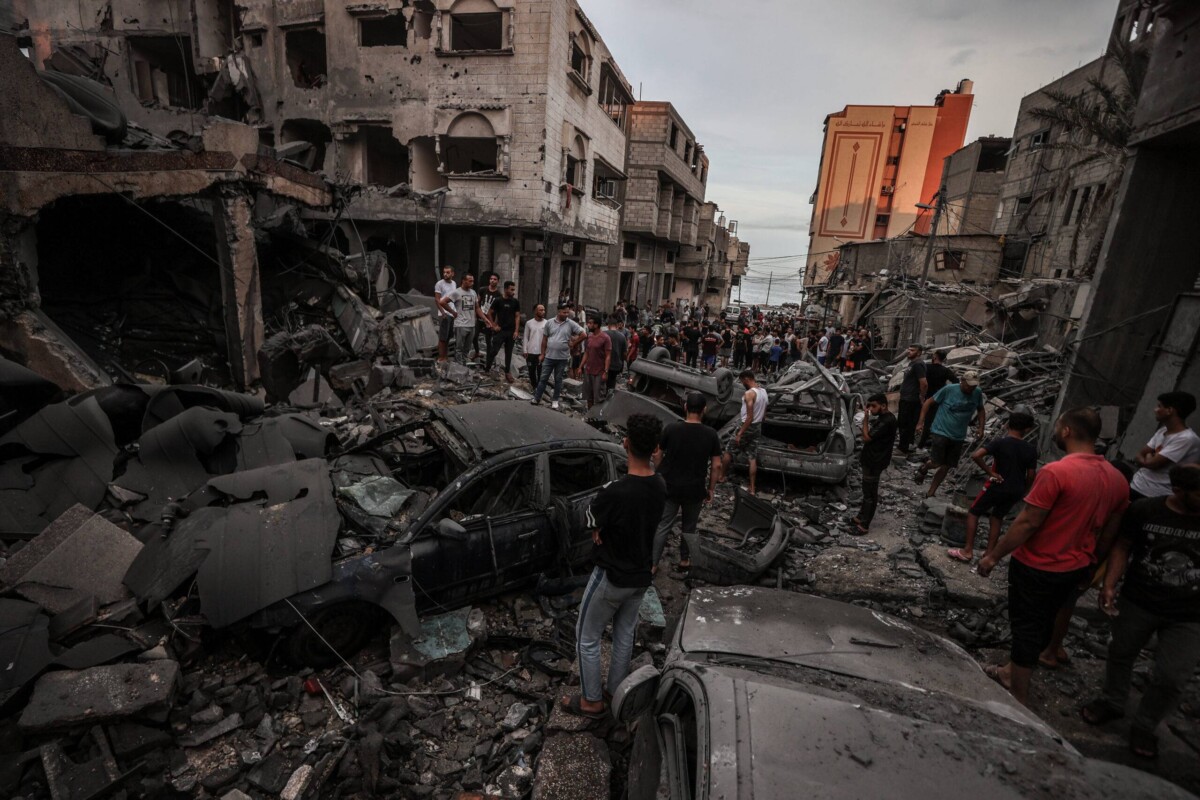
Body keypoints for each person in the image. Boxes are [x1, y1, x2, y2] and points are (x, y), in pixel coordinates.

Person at [976, 407, 1130, 707]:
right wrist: (1091, 565)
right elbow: (1110, 534)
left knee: (1026, 626)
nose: (1057, 431)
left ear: (1067, 431)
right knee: (1045, 621)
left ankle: (1017, 692)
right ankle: (1011, 670)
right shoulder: (1117, 479)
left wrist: (993, 556)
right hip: (1076, 567)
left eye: (1059, 426)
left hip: (1038, 564)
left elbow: (1028, 522)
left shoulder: (1057, 472)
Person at [1080, 463, 1200, 759]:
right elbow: (1123, 546)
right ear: (1178, 491)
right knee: (1120, 651)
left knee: (1173, 675)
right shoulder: (1146, 510)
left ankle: (1145, 725)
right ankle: (1113, 701)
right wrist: (1109, 584)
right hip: (1140, 599)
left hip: (1190, 613)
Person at [560, 414, 666, 721]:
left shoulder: (615, 492)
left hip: (611, 576)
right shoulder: (659, 486)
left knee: (587, 635)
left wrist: (600, 528)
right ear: (656, 449)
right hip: (640, 577)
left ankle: (591, 700)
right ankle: (615, 691)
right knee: (623, 634)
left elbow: (589, 518)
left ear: (626, 443)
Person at [949, 412, 1038, 564]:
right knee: (997, 517)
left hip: (998, 484)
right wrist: (1025, 490)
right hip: (1016, 489)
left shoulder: (1000, 442)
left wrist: (991, 472)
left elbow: (976, 455)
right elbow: (1031, 475)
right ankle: (989, 554)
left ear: (1008, 424)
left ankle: (967, 550)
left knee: (974, 512)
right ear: (1027, 429)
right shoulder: (1030, 449)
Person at [654, 392, 723, 572]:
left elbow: (657, 454)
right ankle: (684, 560)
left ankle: (652, 565)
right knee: (689, 527)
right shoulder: (711, 434)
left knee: (662, 526)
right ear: (704, 410)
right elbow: (716, 465)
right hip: (695, 489)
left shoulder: (671, 429)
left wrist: (659, 473)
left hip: (670, 487)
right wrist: (711, 489)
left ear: (685, 407)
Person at [915, 370, 985, 497]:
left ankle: (931, 492)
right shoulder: (949, 389)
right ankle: (924, 468)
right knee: (936, 463)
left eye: (974, 385)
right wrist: (920, 422)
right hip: (941, 431)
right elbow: (928, 402)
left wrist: (981, 427)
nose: (971, 388)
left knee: (947, 466)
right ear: (962, 381)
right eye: (969, 385)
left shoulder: (977, 392)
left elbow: (980, 409)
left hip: (958, 435)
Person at [1129, 391, 1200, 500]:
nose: (1155, 410)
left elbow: (1153, 463)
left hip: (1154, 494)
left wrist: (1149, 458)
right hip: (1137, 483)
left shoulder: (1186, 439)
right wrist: (1148, 459)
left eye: (1159, 406)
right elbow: (1139, 455)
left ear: (1169, 411)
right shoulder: (1162, 431)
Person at [850, 393, 897, 535]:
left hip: (875, 460)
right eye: (869, 406)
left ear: (883, 406)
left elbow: (866, 437)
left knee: (869, 492)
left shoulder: (886, 420)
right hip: (874, 458)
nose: (871, 409)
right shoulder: (884, 418)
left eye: (873, 406)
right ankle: (860, 517)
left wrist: (864, 420)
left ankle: (864, 525)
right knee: (867, 491)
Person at [722, 370, 768, 496]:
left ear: (747, 379)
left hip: (747, 426)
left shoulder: (749, 394)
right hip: (757, 427)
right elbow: (764, 413)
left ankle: (721, 477)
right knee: (752, 457)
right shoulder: (763, 392)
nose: (742, 383)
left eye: (742, 381)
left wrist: (740, 433)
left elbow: (749, 417)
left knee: (728, 450)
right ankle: (752, 488)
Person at [532, 303, 585, 410]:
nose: (566, 314)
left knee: (558, 379)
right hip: (549, 356)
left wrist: (574, 343)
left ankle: (555, 400)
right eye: (564, 312)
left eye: (567, 312)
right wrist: (542, 354)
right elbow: (544, 339)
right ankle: (537, 398)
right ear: (558, 312)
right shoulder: (550, 323)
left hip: (562, 357)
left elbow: (584, 334)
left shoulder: (570, 323)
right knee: (543, 378)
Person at [918, 350, 955, 449]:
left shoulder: (926, 368)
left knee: (923, 421)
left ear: (934, 357)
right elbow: (956, 381)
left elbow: (920, 381)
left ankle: (920, 444)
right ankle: (931, 443)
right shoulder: (945, 370)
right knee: (932, 421)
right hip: (939, 399)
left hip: (925, 397)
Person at [486, 281, 521, 382]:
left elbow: (517, 316)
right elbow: (489, 313)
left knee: (509, 352)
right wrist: (493, 325)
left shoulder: (515, 302)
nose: (513, 292)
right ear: (506, 289)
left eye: (514, 289)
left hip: (511, 332)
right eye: (511, 289)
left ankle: (507, 372)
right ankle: (487, 368)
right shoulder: (498, 300)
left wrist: (516, 331)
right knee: (494, 350)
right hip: (500, 331)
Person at [448, 274, 488, 365]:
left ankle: (464, 364)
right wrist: (452, 312)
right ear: (463, 281)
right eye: (470, 281)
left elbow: (477, 308)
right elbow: (443, 302)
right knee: (459, 348)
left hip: (471, 324)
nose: (472, 283)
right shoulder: (457, 292)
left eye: (473, 281)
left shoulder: (473, 292)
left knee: (467, 348)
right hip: (460, 324)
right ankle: (458, 366)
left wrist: (485, 318)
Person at [896, 345, 927, 453]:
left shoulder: (918, 364)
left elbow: (923, 383)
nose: (909, 352)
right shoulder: (912, 363)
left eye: (912, 350)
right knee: (904, 423)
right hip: (906, 397)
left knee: (905, 423)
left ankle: (903, 447)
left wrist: (922, 396)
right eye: (908, 349)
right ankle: (907, 444)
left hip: (911, 399)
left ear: (919, 353)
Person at [581, 317, 612, 410]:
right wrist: (580, 366)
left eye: (590, 323)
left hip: (599, 372)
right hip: (588, 371)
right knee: (588, 396)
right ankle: (590, 415)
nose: (588, 325)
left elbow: (608, 356)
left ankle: (598, 417)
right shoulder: (589, 337)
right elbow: (586, 353)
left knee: (599, 397)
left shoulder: (605, 338)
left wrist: (605, 371)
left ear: (596, 325)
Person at [433, 266, 457, 363]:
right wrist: (442, 312)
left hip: (451, 312)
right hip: (444, 313)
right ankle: (440, 358)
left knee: (448, 336)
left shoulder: (454, 283)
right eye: (444, 272)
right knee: (443, 337)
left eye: (447, 272)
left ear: (452, 274)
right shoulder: (439, 284)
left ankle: (445, 356)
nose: (445, 274)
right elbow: (437, 299)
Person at [522, 303, 547, 390]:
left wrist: (546, 352)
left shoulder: (546, 323)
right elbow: (525, 337)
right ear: (535, 311)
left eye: (544, 310)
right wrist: (525, 350)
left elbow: (548, 338)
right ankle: (534, 387)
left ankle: (540, 389)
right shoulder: (529, 323)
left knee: (541, 372)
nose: (543, 312)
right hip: (531, 351)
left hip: (542, 352)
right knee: (531, 371)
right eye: (541, 310)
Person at [603, 317, 628, 393]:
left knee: (602, 382)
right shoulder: (622, 337)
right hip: (616, 364)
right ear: (617, 326)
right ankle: (609, 398)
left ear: (608, 326)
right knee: (612, 383)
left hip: (604, 364)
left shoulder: (604, 334)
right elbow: (624, 353)